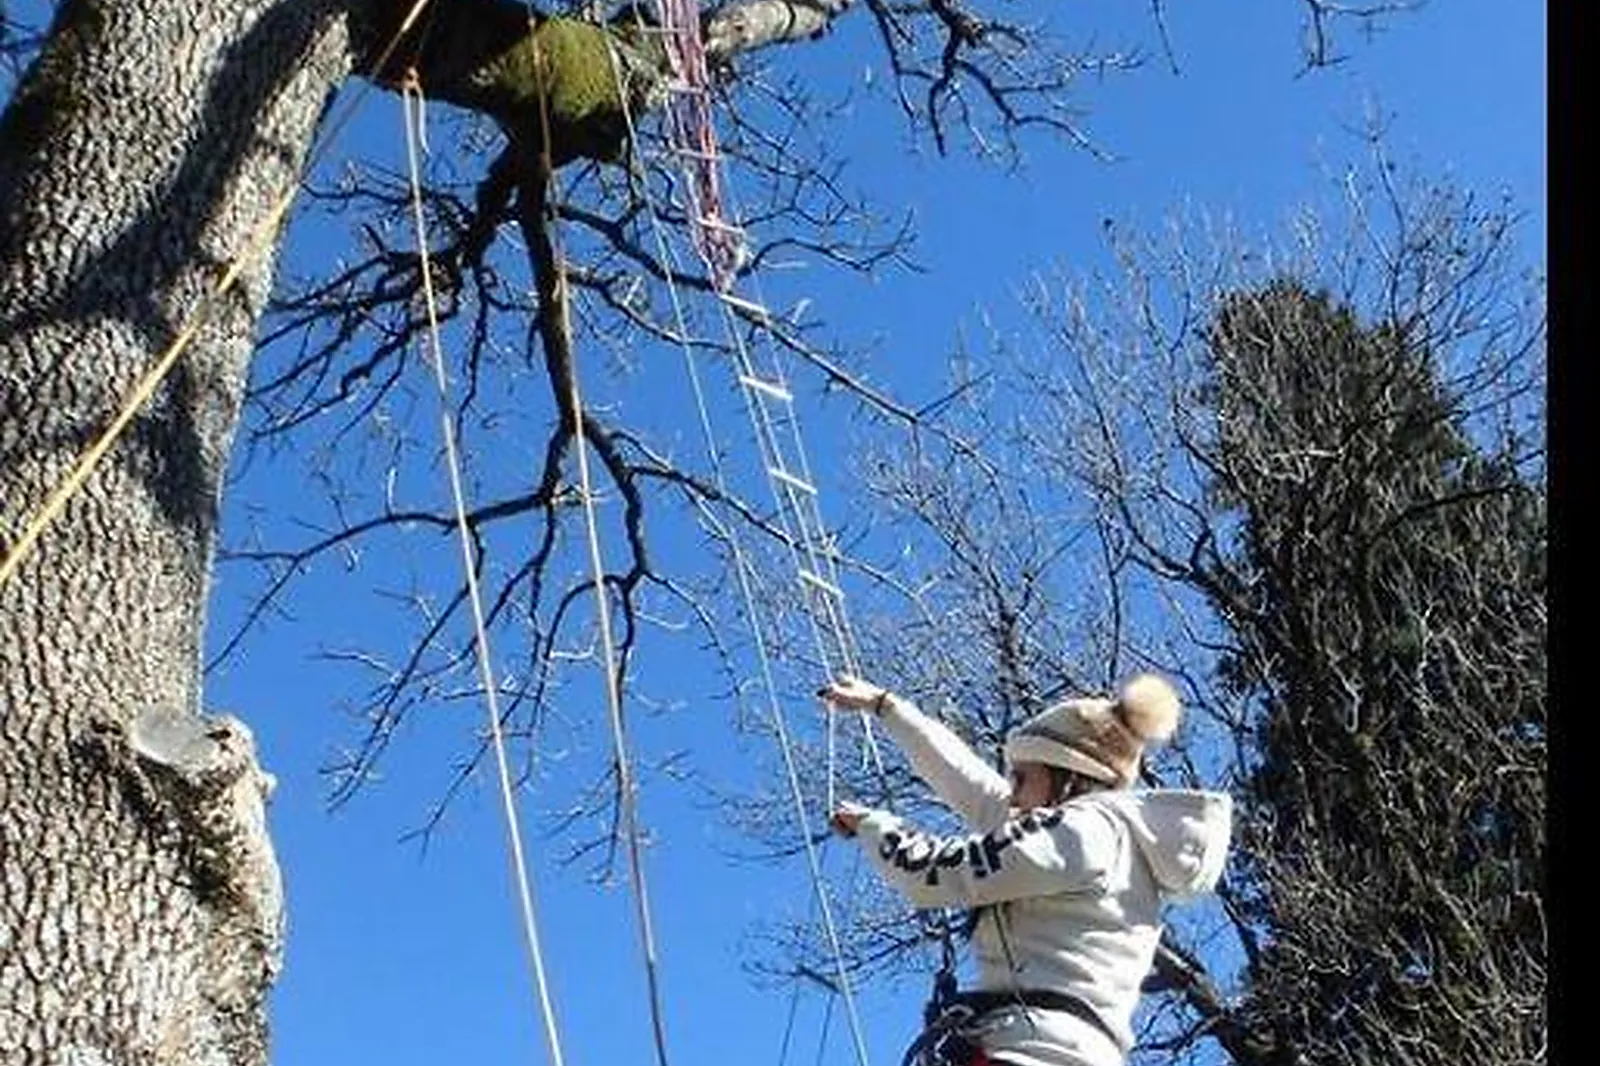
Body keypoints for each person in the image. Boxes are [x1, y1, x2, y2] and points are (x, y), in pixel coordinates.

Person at [818, 673, 1231, 1066]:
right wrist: (887, 707)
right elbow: (968, 782)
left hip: (1036, 1051)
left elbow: (939, 871)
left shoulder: (1083, 831)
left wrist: (877, 826)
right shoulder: (1095, 837)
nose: (1012, 796)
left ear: (1068, 774)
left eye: (1020, 778)